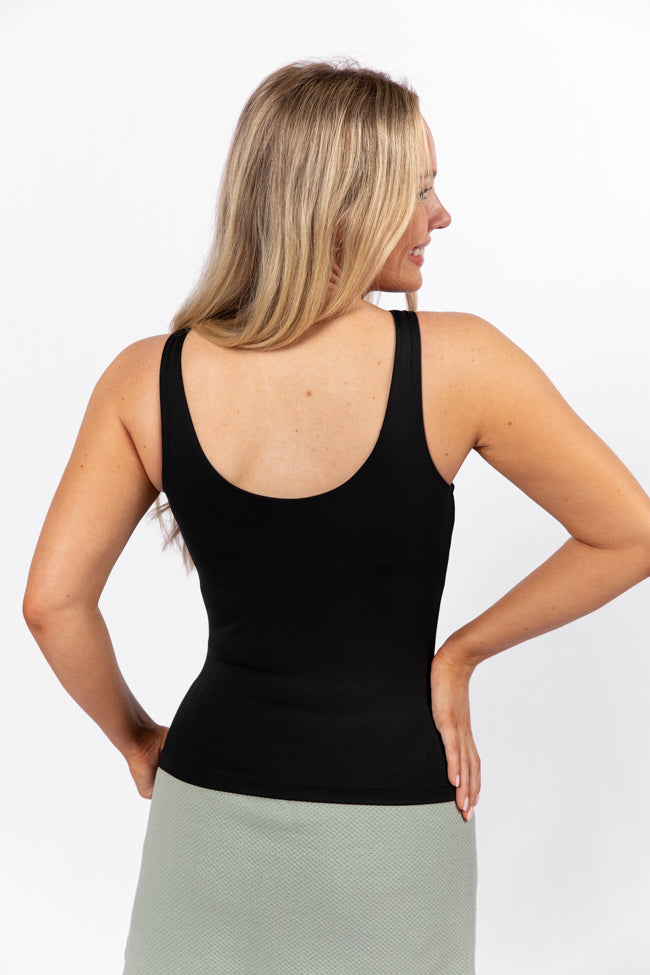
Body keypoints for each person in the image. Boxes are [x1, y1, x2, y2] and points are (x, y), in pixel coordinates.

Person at [22, 58, 650, 975]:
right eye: (419, 188)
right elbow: (630, 531)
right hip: (394, 824)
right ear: (343, 206)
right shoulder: (462, 363)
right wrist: (457, 655)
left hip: (207, 807)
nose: (442, 215)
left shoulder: (145, 378)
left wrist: (135, 737)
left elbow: (52, 604)